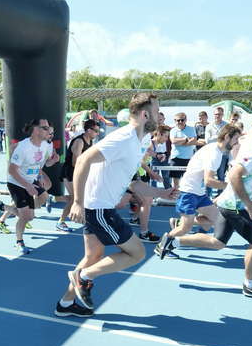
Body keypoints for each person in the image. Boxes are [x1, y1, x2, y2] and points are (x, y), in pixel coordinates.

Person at [55, 93, 175, 316]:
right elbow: (83, 160)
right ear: (145, 114)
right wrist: (77, 202)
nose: (160, 116)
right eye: (157, 111)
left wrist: (162, 192)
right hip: (98, 208)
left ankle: (65, 304)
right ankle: (83, 277)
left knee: (92, 257)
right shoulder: (123, 138)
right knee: (137, 253)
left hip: (99, 206)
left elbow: (134, 183)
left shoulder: (138, 142)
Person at [156, 114, 252, 300]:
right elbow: (234, 175)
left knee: (218, 243)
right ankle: (250, 285)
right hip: (234, 206)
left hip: (228, 203)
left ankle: (174, 241)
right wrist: (250, 204)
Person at [160, 124, 241, 251]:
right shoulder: (214, 153)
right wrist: (231, 186)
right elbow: (209, 181)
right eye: (235, 139)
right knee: (185, 228)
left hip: (198, 192)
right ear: (227, 137)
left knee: (216, 219)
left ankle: (179, 223)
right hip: (188, 192)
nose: (237, 143)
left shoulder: (217, 151)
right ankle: (163, 245)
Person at [0, 119, 58, 253]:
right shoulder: (23, 147)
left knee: (30, 216)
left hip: (31, 180)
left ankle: (3, 207)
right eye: (46, 129)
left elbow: (43, 164)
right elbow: (12, 170)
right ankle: (19, 242)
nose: (50, 133)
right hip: (16, 182)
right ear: (36, 130)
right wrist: (27, 185)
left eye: (50, 131)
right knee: (25, 216)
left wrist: (52, 162)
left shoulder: (46, 145)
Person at [57, 119, 99, 232]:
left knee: (81, 197)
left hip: (79, 172)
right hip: (70, 172)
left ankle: (56, 198)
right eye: (96, 131)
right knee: (75, 198)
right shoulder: (79, 142)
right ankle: (60, 221)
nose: (97, 133)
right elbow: (75, 163)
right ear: (89, 130)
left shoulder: (90, 141)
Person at [169, 111, 199, 191]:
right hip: (176, 158)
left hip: (188, 158)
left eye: (182, 120)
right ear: (175, 121)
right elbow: (173, 141)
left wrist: (180, 142)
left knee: (188, 181)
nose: (180, 122)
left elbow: (194, 140)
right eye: (178, 120)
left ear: (186, 120)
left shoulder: (191, 129)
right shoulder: (173, 130)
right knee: (176, 183)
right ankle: (176, 196)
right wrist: (186, 139)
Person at [204, 106, 229, 192]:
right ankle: (207, 195)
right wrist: (220, 136)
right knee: (209, 176)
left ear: (222, 115)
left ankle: (220, 195)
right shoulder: (209, 126)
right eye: (216, 114)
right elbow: (207, 140)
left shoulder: (227, 126)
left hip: (223, 154)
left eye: (219, 114)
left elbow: (227, 139)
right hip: (211, 154)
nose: (217, 116)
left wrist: (215, 137)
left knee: (221, 176)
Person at [149, 125, 172, 189]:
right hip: (133, 175)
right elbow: (141, 163)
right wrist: (153, 174)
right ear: (159, 134)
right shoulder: (150, 144)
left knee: (165, 177)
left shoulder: (153, 145)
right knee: (153, 178)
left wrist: (159, 156)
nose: (167, 139)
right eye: (166, 136)